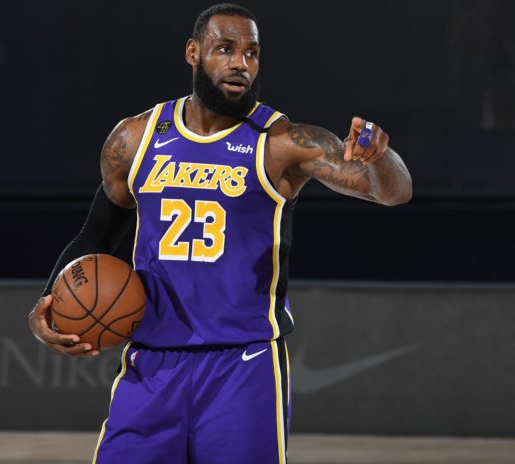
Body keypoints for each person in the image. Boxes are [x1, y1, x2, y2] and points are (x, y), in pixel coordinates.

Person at [28, 3, 412, 463]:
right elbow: (96, 235)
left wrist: (380, 157)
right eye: (225, 49)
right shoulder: (135, 139)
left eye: (251, 53)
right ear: (193, 52)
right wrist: (48, 305)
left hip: (242, 366)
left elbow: (392, 193)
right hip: (151, 362)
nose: (240, 63)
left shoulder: (282, 143)